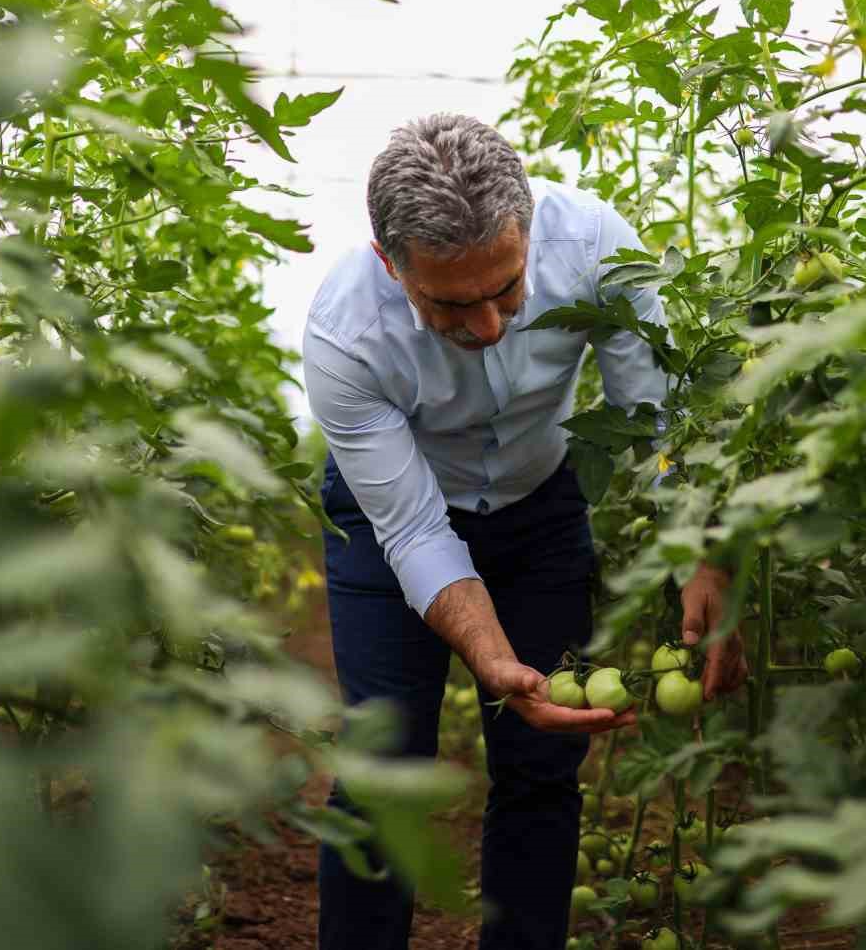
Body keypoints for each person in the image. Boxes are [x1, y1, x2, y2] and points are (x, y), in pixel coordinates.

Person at [302, 113, 748, 950]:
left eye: (507, 289)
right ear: (388, 262)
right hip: (387, 518)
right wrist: (490, 655)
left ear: (529, 230)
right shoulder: (344, 337)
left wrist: (703, 555)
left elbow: (653, 422)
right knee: (383, 769)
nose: (490, 327)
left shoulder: (596, 249)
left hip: (540, 503)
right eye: (451, 303)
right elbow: (413, 530)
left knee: (542, 773)